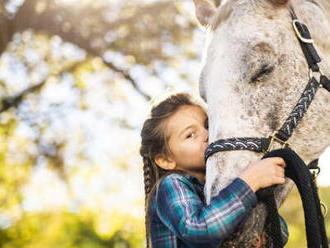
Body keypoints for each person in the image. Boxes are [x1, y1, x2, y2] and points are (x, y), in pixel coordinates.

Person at [140, 93, 288, 248]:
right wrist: (251, 180)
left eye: (208, 125)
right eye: (190, 135)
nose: (207, 135)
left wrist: (259, 229)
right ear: (166, 160)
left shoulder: (227, 187)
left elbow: (281, 234)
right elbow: (200, 230)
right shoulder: (170, 184)